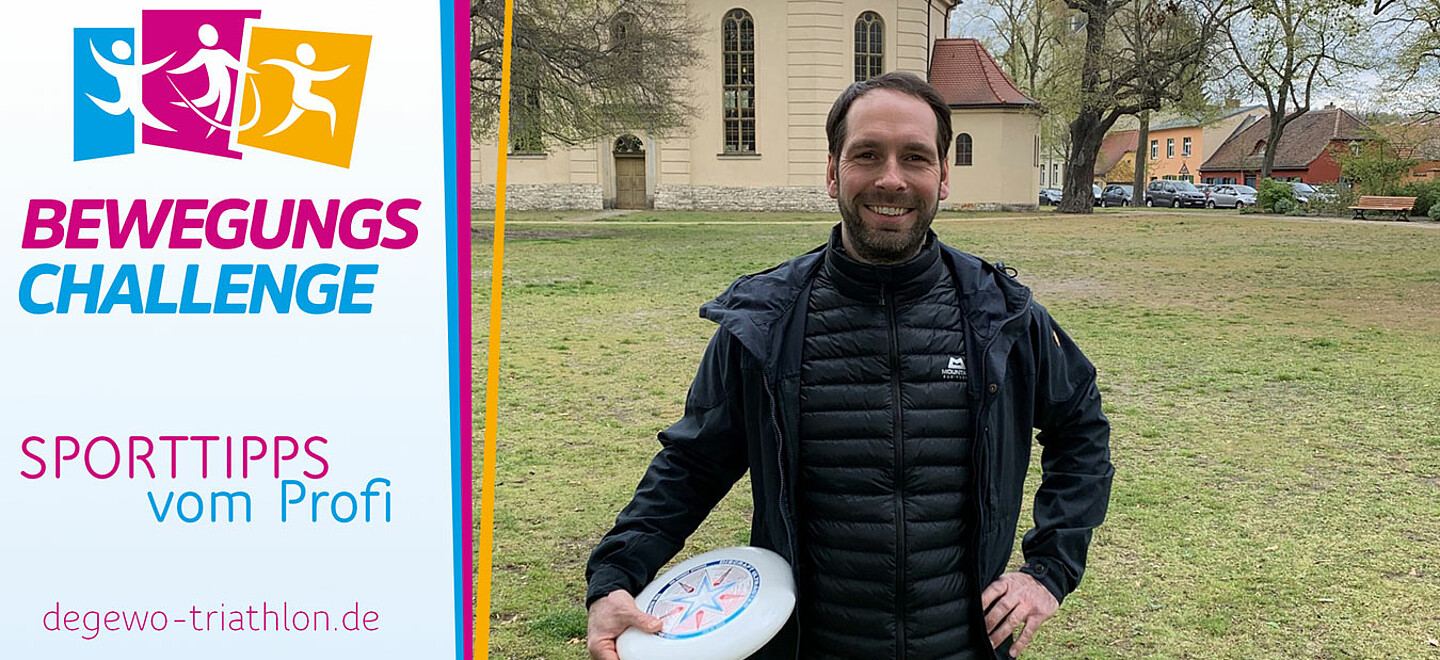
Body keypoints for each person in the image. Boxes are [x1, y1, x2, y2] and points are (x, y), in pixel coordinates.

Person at [585, 72, 1113, 660]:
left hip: (962, 647)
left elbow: (1081, 430)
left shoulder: (1003, 316)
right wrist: (614, 578)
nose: (892, 178)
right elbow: (691, 464)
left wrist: (1048, 570)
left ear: (943, 174)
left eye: (915, 157)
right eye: (868, 155)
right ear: (834, 170)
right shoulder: (764, 322)